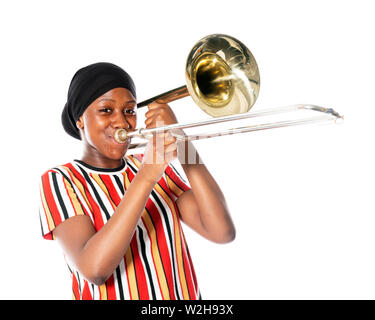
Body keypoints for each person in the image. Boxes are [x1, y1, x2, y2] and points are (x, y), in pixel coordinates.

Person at [38, 62, 235, 300]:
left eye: (129, 110)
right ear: (80, 118)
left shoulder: (149, 164)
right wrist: (148, 174)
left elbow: (222, 231)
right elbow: (94, 269)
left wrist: (181, 139)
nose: (122, 122)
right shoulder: (61, 179)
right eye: (106, 110)